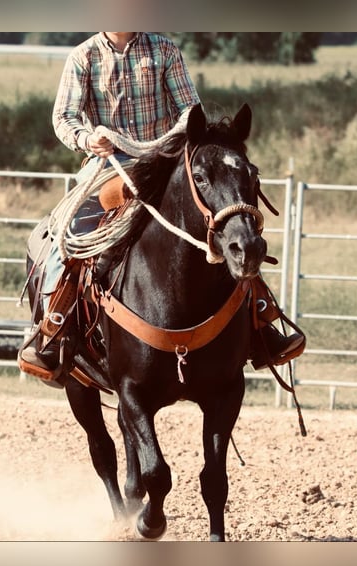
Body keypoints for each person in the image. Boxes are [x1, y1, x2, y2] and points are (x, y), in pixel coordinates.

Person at [19, 32, 304, 377]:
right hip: (109, 167)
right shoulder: (84, 56)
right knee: (71, 231)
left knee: (224, 222)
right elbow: (64, 118)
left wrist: (170, 138)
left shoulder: (164, 49)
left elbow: (189, 109)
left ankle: (261, 320)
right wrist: (88, 138)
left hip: (164, 160)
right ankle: (54, 325)